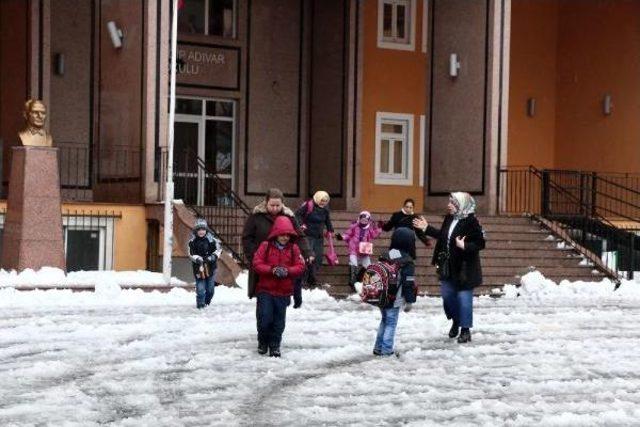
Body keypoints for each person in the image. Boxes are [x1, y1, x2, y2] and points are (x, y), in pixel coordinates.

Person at [413, 192, 485, 343]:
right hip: (448, 266)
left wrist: (464, 245)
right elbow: (443, 235)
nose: (448, 205)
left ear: (461, 205)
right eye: (450, 202)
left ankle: (465, 330)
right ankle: (456, 320)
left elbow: (480, 243)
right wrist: (427, 228)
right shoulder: (450, 218)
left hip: (465, 268)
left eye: (452, 203)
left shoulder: (471, 221)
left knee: (464, 298)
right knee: (447, 297)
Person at [242, 188, 312, 307]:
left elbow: (299, 236)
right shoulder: (256, 216)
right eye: (272, 205)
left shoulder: (289, 216)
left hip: (284, 261)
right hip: (263, 263)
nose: (275, 208)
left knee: (281, 300)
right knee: (263, 300)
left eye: (277, 205)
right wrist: (254, 256)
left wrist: (307, 252)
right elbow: (247, 238)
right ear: (266, 202)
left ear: (282, 204)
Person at [252, 216, 306, 357]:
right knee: (264, 318)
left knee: (279, 322)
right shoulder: (266, 246)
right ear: (276, 233)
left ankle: (275, 345)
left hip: (283, 292)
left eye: (288, 235)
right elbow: (257, 263)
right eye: (282, 234)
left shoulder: (294, 248)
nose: (285, 237)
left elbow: (300, 266)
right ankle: (263, 342)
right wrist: (272, 270)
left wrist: (288, 271)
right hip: (266, 290)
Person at [372, 227, 418, 357]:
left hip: (382, 295)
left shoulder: (387, 254)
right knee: (391, 323)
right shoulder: (407, 261)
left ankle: (378, 348)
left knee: (384, 321)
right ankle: (387, 351)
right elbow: (408, 283)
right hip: (394, 298)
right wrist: (410, 300)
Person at [295, 190, 334, 286]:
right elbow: (297, 214)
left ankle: (312, 277)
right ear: (317, 198)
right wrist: (301, 224)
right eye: (322, 200)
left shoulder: (325, 208)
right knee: (308, 256)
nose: (323, 203)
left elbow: (327, 219)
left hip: (318, 237)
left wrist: (330, 229)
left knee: (318, 258)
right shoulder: (309, 205)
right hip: (308, 235)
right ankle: (304, 278)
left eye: (325, 201)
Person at [337, 211, 382, 292]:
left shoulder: (369, 228)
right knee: (353, 263)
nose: (364, 221)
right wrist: (342, 237)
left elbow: (374, 235)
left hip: (364, 249)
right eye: (362, 219)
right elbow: (348, 234)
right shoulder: (354, 226)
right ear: (359, 219)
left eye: (366, 220)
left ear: (369, 221)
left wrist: (379, 228)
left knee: (367, 266)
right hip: (354, 248)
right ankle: (352, 281)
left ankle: (359, 279)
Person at [187, 218, 222, 309]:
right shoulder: (192, 242)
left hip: (211, 267)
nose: (201, 232)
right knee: (200, 289)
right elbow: (191, 253)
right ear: (196, 231)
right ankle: (200, 305)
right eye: (199, 230)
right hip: (199, 268)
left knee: (210, 290)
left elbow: (218, 250)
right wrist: (197, 258)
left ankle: (206, 302)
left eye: (203, 229)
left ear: (206, 230)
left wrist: (214, 256)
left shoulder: (211, 240)